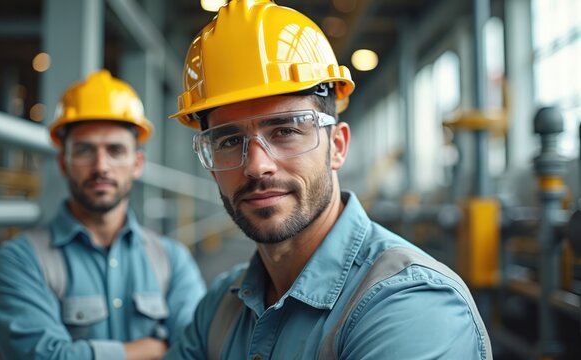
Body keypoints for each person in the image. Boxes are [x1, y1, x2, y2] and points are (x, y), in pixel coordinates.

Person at [164, 0, 492, 359]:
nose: (257, 166)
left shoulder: (412, 307)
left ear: (337, 146)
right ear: (210, 163)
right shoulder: (219, 308)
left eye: (285, 131)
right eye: (229, 141)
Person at [0, 70, 206, 360]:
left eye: (115, 150)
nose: (101, 166)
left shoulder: (172, 260)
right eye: (85, 151)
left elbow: (196, 350)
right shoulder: (20, 261)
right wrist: (152, 349)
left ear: (137, 164)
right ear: (63, 164)